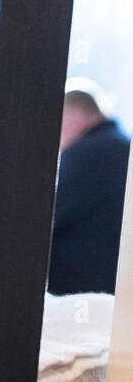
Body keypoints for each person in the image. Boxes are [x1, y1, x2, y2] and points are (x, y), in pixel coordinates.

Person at [49, 89, 130, 295]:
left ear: (74, 116)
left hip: (83, 287)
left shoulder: (85, 152)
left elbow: (52, 217)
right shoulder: (122, 145)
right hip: (116, 285)